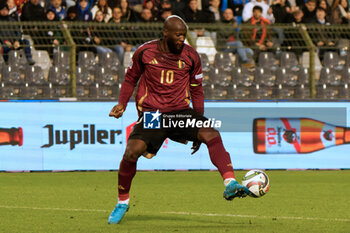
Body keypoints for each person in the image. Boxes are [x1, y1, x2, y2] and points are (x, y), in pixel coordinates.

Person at [107, 15, 250, 224]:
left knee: (211, 133)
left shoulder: (192, 56)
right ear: (165, 33)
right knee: (131, 152)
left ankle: (230, 183)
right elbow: (130, 79)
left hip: (180, 112)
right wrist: (121, 103)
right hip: (153, 114)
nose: (182, 38)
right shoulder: (145, 52)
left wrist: (199, 122)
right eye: (178, 34)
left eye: (184, 35)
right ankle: (122, 202)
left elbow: (197, 90)